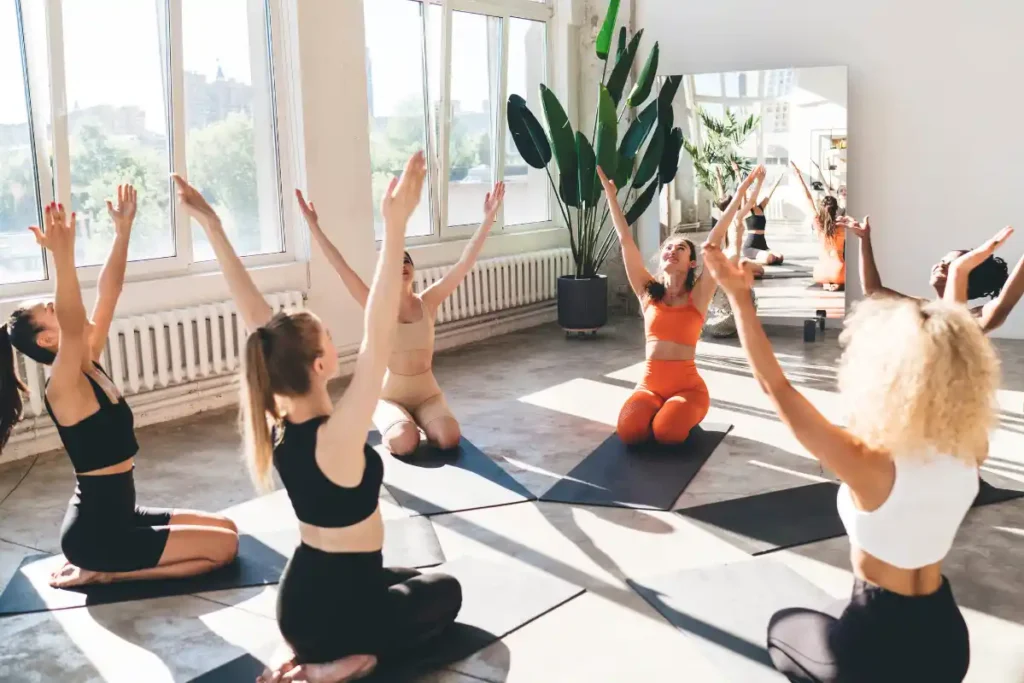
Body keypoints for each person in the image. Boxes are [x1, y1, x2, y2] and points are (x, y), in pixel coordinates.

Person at [172, 153, 462, 683]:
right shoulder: (339, 435)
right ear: (323, 365)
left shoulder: (282, 418)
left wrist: (212, 225)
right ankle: (330, 668)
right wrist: (394, 225)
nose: (337, 337)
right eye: (329, 334)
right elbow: (378, 335)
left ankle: (305, 652)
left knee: (408, 578)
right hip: (336, 616)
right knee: (446, 593)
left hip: (300, 602)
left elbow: (259, 321)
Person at [700, 228, 1008, 682]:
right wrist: (958, 280)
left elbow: (775, 386)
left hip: (874, 651)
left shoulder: (867, 464)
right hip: (946, 646)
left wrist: (741, 300)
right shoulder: (970, 451)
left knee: (781, 628)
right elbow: (952, 354)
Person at [0, 187, 238, 589]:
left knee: (228, 527)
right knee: (223, 550)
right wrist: (62, 257)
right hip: (95, 535)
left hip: (122, 514)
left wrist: (123, 231)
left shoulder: (87, 359)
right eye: (52, 310)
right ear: (45, 341)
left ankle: (108, 564)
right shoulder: (63, 386)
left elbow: (109, 292)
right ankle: (105, 573)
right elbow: (74, 321)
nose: (64, 310)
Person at [296, 182, 505, 457]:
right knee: (406, 443)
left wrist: (488, 220)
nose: (403, 265)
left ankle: (420, 420)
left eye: (407, 261)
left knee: (449, 439)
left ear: (414, 271)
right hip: (390, 396)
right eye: (396, 262)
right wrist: (314, 227)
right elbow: (341, 267)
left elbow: (464, 264)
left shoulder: (428, 301)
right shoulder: (377, 305)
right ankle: (398, 422)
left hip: (427, 394)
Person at [600, 163, 766, 445]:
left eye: (680, 248)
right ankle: (658, 412)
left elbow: (714, 241)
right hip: (649, 387)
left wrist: (739, 195)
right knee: (629, 432)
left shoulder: (698, 295)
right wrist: (611, 197)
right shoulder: (647, 293)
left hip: (688, 389)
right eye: (668, 247)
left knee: (667, 433)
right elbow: (625, 240)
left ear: (692, 263)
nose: (671, 251)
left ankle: (678, 413)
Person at [845, 214, 1024, 334]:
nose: (941, 265)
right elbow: (873, 290)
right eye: (942, 260)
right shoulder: (922, 307)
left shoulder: (976, 319)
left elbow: (1006, 300)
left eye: (952, 264)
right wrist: (864, 239)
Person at [791, 161, 845, 291]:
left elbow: (808, 198)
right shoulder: (842, 223)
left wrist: (798, 176)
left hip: (820, 272)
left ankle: (826, 283)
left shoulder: (818, 223)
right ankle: (836, 283)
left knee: (823, 268)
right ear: (836, 208)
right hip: (839, 271)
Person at [742, 174, 785, 265]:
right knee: (770, 259)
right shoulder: (747, 210)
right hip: (750, 247)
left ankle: (762, 257)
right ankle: (748, 261)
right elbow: (743, 192)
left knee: (780, 257)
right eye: (749, 198)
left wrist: (777, 181)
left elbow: (770, 193)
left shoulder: (761, 207)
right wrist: (739, 175)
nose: (751, 199)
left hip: (763, 245)